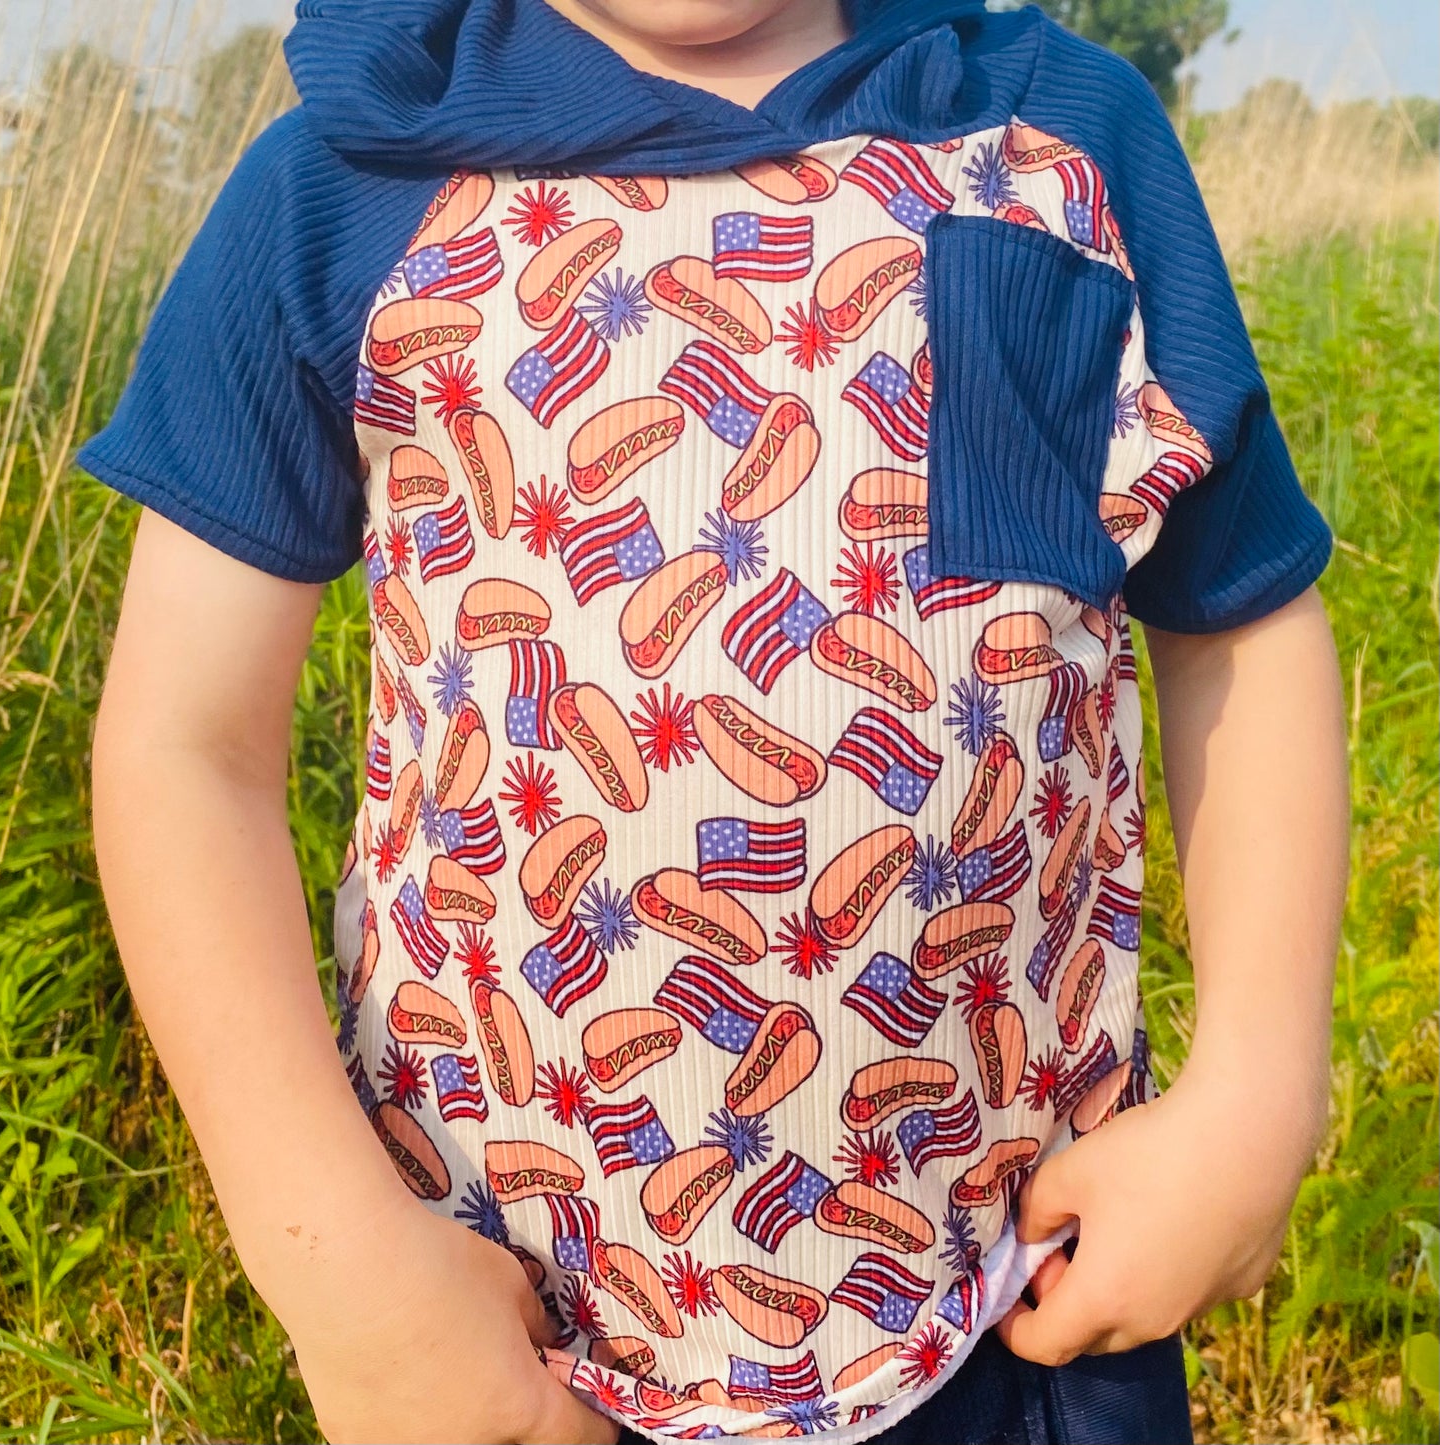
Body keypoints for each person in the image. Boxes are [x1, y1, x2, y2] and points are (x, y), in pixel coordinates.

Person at [80, 1, 1351, 1442]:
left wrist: (1255, 1088)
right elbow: (189, 749)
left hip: (1015, 1301)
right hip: (510, 1340)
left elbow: (1236, 623)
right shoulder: (346, 181)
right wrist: (341, 1270)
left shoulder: (1064, 145)